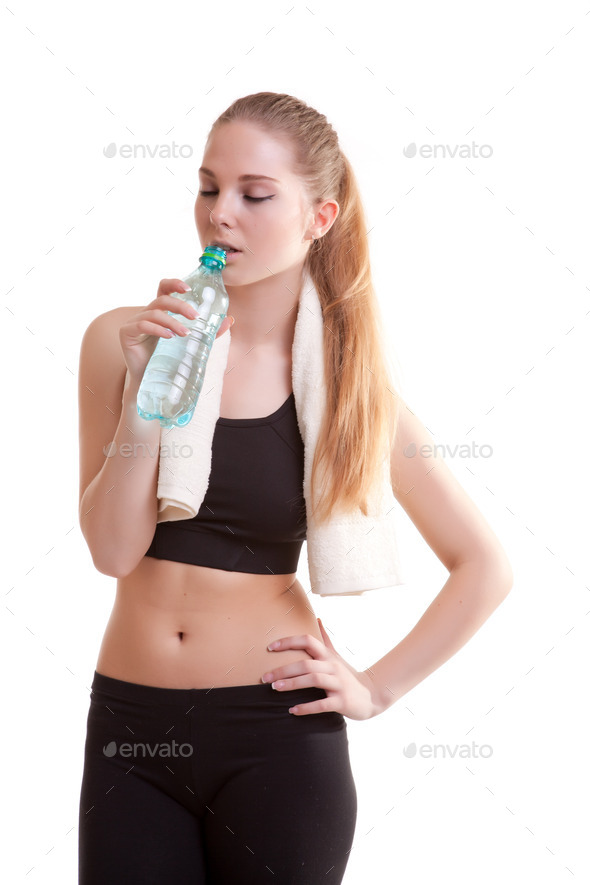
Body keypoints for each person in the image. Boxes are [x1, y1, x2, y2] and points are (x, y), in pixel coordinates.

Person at [77, 92, 513, 884]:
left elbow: (485, 566)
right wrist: (148, 396)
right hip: (131, 726)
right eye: (209, 187)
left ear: (320, 216)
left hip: (276, 737)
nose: (221, 215)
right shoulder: (122, 339)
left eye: (255, 193)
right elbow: (112, 551)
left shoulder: (352, 390)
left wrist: (375, 688)